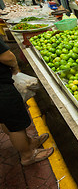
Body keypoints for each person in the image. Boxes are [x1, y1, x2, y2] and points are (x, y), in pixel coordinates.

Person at [0, 37, 54, 166]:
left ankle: (29, 143)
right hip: (2, 87)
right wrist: (14, 66)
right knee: (15, 124)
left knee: (5, 118)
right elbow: (6, 57)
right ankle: (28, 155)